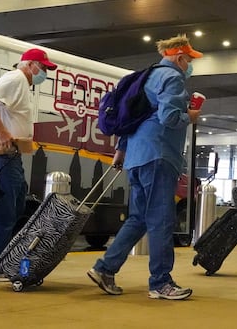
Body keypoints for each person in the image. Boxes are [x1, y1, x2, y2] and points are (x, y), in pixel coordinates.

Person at [87, 34, 202, 300]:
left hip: (138, 156)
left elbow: (133, 118)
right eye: (189, 60)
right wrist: (191, 116)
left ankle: (105, 268)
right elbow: (170, 117)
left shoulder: (145, 77)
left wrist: (121, 150)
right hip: (159, 155)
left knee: (139, 218)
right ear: (179, 57)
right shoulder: (172, 78)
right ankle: (161, 282)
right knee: (161, 219)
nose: (189, 66)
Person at [0, 47, 57, 281]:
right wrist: (1, 130)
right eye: (43, 68)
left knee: (18, 202)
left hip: (9, 154)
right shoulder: (16, 78)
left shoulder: (22, 84)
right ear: (30, 65)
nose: (44, 74)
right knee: (5, 208)